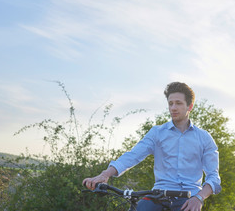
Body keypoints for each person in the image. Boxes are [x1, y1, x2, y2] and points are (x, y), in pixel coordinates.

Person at [83, 82, 221, 211]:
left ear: (189, 106)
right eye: (170, 103)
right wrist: (105, 174)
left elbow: (213, 177)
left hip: (189, 198)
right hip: (158, 195)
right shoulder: (157, 133)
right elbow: (133, 155)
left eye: (178, 103)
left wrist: (199, 198)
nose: (173, 108)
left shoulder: (204, 138)